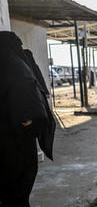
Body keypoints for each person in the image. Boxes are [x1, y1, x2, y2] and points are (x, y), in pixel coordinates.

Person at [0, 31, 56, 207]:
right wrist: (30, 122)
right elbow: (30, 100)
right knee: (19, 188)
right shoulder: (17, 66)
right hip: (17, 143)